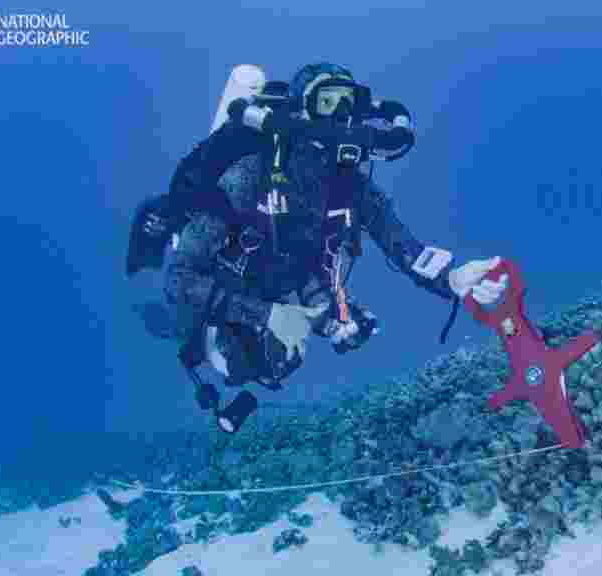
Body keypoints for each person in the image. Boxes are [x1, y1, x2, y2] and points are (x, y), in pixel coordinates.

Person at [126, 63, 508, 433]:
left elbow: (404, 249)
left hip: (285, 279)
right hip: (221, 282)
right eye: (327, 102)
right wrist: (267, 314)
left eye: (348, 103)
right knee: (224, 357)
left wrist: (452, 279)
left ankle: (301, 321)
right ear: (300, 110)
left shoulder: (353, 187)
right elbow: (181, 280)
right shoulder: (250, 174)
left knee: (281, 362)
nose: (340, 115)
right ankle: (164, 323)